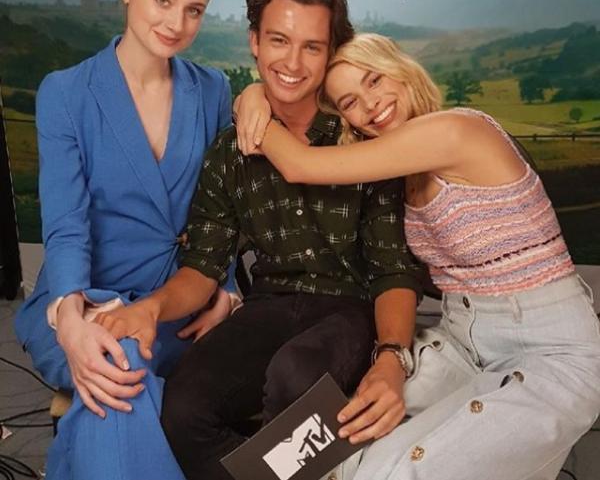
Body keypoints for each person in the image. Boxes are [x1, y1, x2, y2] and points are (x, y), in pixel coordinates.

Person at [95, 0, 430, 480]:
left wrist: (391, 355)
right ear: (254, 41)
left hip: (353, 307)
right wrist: (152, 307)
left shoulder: (361, 136)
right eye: (278, 40)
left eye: (312, 47)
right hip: (271, 303)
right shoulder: (229, 152)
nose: (292, 63)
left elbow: (392, 270)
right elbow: (203, 266)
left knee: (296, 374)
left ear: (330, 53)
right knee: (183, 408)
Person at [234, 32, 600, 480]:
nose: (370, 104)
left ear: (402, 70)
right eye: (350, 102)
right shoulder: (400, 174)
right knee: (313, 454)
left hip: (550, 349)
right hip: (460, 338)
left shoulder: (456, 130)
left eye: (374, 80)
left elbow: (300, 165)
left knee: (393, 472)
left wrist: (251, 100)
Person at [14, 0, 233, 480]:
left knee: (113, 387)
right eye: (162, 0)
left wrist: (225, 288)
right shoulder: (65, 92)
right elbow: (66, 225)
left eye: (193, 10)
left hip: (177, 302)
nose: (176, 23)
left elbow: (223, 209)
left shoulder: (213, 90)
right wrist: (70, 321)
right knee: (120, 361)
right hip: (81, 295)